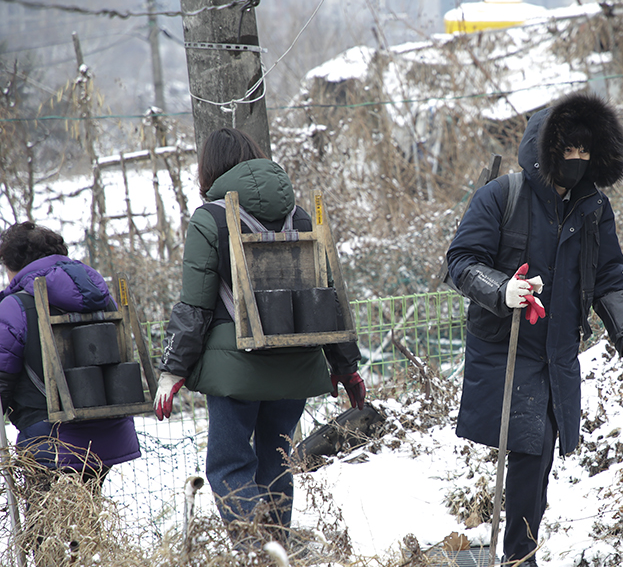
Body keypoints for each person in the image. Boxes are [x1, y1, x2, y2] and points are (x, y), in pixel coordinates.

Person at [446, 92, 623, 567]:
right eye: (569, 152)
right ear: (548, 150)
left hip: (557, 351)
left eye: (586, 154)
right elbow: (462, 261)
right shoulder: (502, 196)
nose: (577, 163)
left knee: (541, 454)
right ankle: (519, 565)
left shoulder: (594, 208)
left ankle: (521, 563)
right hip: (506, 341)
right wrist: (502, 289)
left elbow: (608, 277)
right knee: (528, 450)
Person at [153, 127, 365, 545]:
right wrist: (346, 365)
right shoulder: (301, 216)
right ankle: (276, 565)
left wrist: (172, 369)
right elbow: (328, 297)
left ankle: (258, 564)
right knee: (277, 464)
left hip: (238, 370)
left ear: (209, 169)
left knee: (229, 467)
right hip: (297, 365)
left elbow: (194, 305)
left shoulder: (210, 218)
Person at [0, 222, 141, 485]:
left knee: (47, 521)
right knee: (84, 516)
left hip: (49, 440)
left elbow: (2, 379)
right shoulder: (102, 297)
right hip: (108, 436)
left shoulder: (14, 306)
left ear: (12, 266)